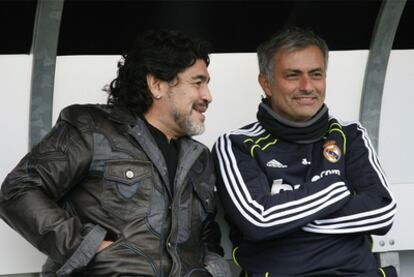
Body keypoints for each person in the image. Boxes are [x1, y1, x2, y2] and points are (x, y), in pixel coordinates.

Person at [0, 29, 230, 276]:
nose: (207, 96)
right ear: (157, 85)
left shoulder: (200, 157)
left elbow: (208, 238)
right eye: (198, 82)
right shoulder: (92, 127)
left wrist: (212, 271)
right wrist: (85, 245)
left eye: (207, 84)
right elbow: (19, 189)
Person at [213, 27, 397, 277]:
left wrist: (288, 220)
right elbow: (259, 220)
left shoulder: (350, 135)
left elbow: (382, 212)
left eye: (316, 74)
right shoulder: (236, 144)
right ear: (266, 83)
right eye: (292, 75)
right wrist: (335, 188)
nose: (307, 86)